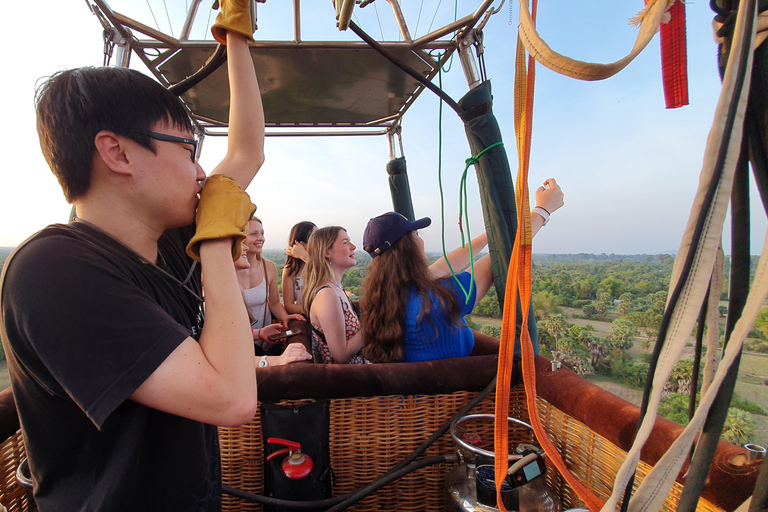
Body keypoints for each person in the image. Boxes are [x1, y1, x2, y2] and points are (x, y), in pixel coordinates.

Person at [0, 3, 265, 510]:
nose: (201, 171)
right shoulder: (52, 272)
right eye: (188, 150)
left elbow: (247, 152)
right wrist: (213, 240)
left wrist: (236, 34)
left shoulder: (156, 242)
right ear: (118, 153)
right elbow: (231, 397)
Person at [360, 179, 564, 363]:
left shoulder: (389, 295)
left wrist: (491, 234)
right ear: (408, 247)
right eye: (416, 234)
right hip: (444, 400)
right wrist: (543, 210)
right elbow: (500, 258)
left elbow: (442, 267)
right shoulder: (434, 302)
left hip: (409, 399)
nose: (421, 240)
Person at [234, 244, 311, 366]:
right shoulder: (222, 288)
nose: (245, 248)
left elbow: (232, 335)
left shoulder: (267, 268)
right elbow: (227, 350)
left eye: (262, 233)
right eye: (240, 242)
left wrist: (259, 333)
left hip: (255, 344)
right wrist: (276, 361)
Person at [302, 227, 367, 364]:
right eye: (345, 242)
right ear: (327, 252)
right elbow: (340, 355)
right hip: (346, 381)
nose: (353, 247)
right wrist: (370, 327)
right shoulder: (327, 295)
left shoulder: (336, 289)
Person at [237, 216, 304, 329]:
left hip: (267, 340)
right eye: (254, 234)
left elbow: (274, 303)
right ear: (240, 238)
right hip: (240, 341)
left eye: (262, 233)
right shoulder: (229, 271)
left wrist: (285, 317)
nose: (261, 238)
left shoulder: (268, 267)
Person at [282, 221, 317, 315]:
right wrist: (315, 312)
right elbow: (289, 305)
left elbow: (326, 275)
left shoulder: (325, 263)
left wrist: (305, 256)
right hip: (309, 319)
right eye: (315, 237)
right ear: (301, 244)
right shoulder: (291, 270)